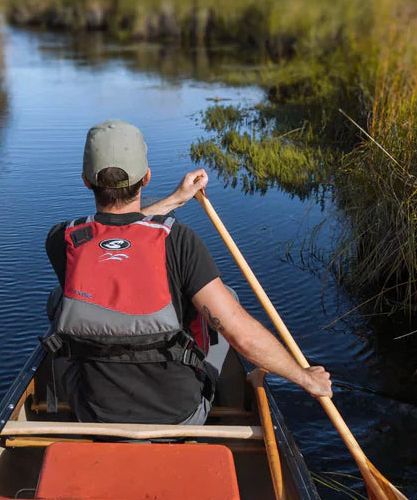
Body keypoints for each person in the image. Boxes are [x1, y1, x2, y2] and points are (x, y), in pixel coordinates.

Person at [44, 119, 332, 424]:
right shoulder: (180, 241)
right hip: (178, 414)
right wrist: (305, 377)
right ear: (146, 178)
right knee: (224, 306)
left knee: (60, 298)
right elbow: (242, 337)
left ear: (86, 181)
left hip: (93, 411)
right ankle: (237, 396)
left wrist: (175, 200)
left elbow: (116, 230)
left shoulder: (62, 240)